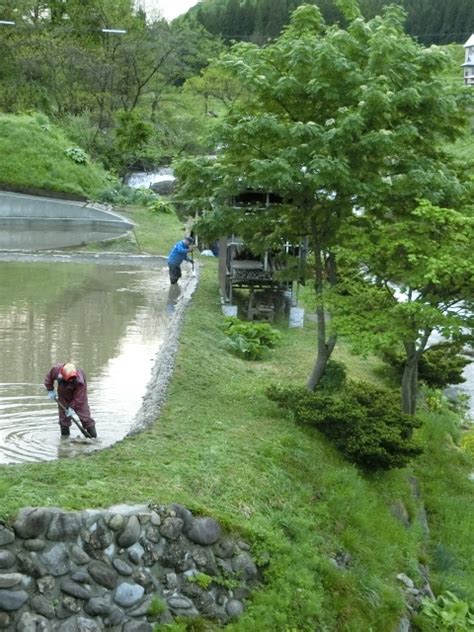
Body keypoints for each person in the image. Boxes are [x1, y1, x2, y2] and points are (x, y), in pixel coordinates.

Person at [44, 362, 97, 438]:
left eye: (72, 379)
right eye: (69, 379)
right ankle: (65, 441)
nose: (70, 381)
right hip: (63, 395)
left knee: (85, 417)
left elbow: (79, 398)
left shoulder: (79, 381)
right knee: (64, 419)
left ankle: (93, 438)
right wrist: (50, 389)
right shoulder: (56, 370)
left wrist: (72, 407)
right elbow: (49, 378)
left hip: (79, 397)